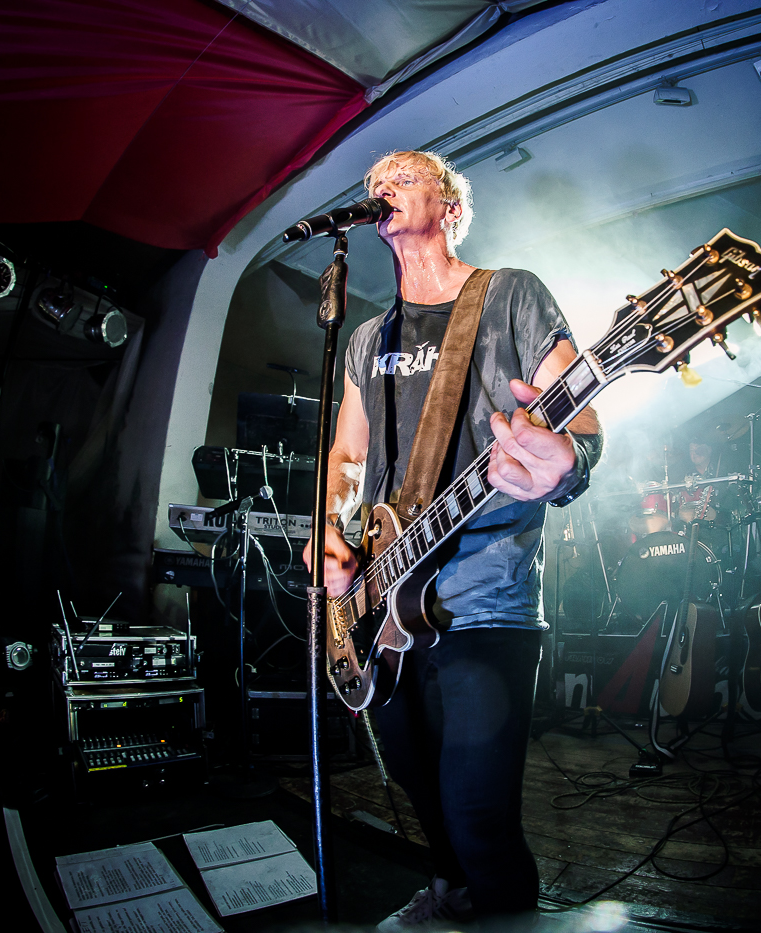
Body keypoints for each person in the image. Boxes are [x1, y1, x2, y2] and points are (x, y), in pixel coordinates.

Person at [303, 150, 603, 930]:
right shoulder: (366, 337)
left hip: (485, 598)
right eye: (376, 182)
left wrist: (567, 461)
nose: (384, 187)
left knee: (477, 810)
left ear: (452, 207)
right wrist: (331, 530)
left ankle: (499, 905)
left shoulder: (510, 295)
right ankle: (452, 892)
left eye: (406, 175)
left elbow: (581, 419)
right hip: (382, 604)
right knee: (415, 781)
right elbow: (347, 456)